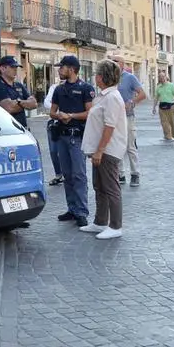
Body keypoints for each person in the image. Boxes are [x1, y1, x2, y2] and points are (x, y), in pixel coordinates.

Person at [79, 59, 128, 240]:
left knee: (110, 187)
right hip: (100, 149)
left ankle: (115, 225)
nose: (95, 77)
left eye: (96, 74)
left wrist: (100, 150)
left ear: (101, 77)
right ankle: (100, 221)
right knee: (99, 186)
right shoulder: (103, 96)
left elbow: (110, 126)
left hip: (108, 149)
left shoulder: (112, 97)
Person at [49, 55, 95, 227]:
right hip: (62, 135)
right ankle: (72, 209)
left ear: (72, 69)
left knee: (79, 175)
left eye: (62, 67)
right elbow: (52, 112)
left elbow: (90, 113)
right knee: (67, 174)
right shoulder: (59, 89)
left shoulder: (86, 88)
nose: (60, 70)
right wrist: (59, 115)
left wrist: (72, 116)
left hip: (77, 136)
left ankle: (82, 212)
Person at [110, 56, 146, 186]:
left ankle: (135, 174)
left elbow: (142, 94)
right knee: (116, 146)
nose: (113, 63)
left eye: (115, 61)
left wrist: (131, 101)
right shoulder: (110, 78)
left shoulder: (130, 77)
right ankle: (121, 174)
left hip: (128, 116)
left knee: (130, 146)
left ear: (122, 64)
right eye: (111, 61)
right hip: (113, 117)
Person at [0, 56, 37, 127]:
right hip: (7, 130)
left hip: (22, 128)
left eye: (16, 67)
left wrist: (19, 102)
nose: (15, 70)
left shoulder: (19, 85)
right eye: (12, 67)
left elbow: (34, 104)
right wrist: (25, 104)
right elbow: (9, 108)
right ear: (2, 69)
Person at [44, 79, 64, 186]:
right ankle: (58, 174)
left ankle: (67, 174)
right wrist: (58, 107)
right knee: (53, 151)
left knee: (65, 151)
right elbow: (46, 103)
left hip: (66, 123)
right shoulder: (54, 87)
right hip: (53, 123)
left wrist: (55, 105)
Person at [153, 71, 174, 141]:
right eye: (160, 77)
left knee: (172, 122)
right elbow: (156, 98)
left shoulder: (171, 85)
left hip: (170, 106)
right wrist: (154, 107)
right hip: (161, 107)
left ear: (166, 77)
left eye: (163, 76)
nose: (161, 78)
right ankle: (167, 136)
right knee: (164, 122)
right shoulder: (158, 87)